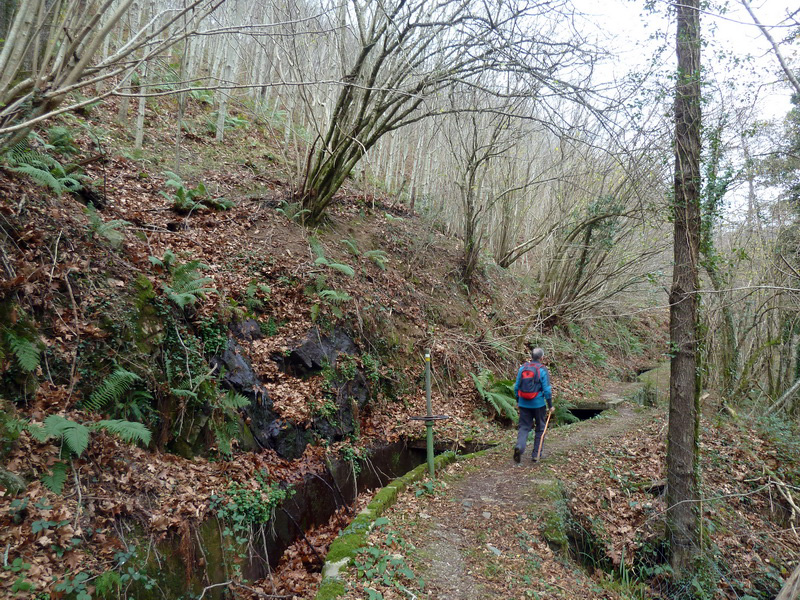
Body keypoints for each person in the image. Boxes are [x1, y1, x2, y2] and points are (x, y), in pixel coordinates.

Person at [513, 347, 553, 463]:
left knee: (524, 427)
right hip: (538, 404)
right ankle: (536, 455)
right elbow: (547, 390)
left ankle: (519, 447)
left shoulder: (523, 368)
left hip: (523, 402)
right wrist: (550, 405)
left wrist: (518, 400)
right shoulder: (542, 369)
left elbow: (516, 387)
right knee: (540, 428)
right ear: (542, 358)